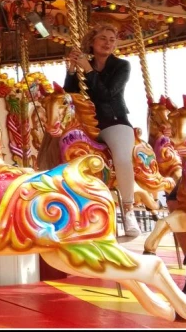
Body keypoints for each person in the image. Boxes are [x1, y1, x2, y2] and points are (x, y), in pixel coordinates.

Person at [64, 22, 141, 237]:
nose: (108, 43)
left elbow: (107, 94)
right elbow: (71, 93)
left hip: (113, 121)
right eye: (103, 38)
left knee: (123, 159)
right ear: (92, 42)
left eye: (112, 39)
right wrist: (72, 68)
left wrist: (87, 70)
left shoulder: (121, 66)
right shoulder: (83, 65)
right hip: (87, 123)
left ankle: (128, 209)